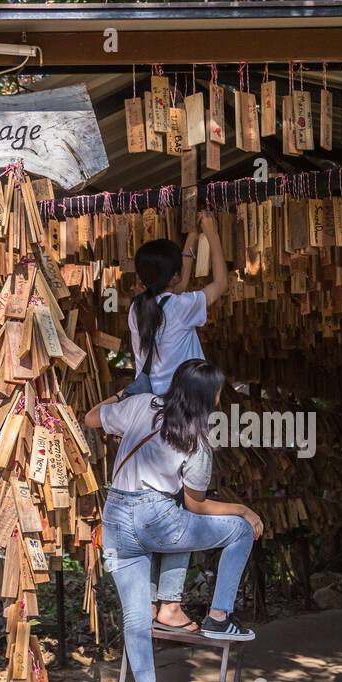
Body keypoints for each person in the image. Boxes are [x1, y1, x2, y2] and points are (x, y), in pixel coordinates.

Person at [86, 359, 264, 682]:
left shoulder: (142, 404)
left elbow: (90, 419)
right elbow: (197, 504)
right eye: (218, 391)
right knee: (239, 532)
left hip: (116, 517)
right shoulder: (197, 443)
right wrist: (242, 509)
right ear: (209, 397)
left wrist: (126, 391)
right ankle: (219, 617)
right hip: (158, 521)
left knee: (136, 619)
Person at [120, 210, 228, 635]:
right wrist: (213, 236)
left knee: (156, 502)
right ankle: (170, 605)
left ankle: (148, 605)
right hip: (182, 413)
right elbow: (220, 284)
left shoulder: (139, 310)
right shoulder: (182, 307)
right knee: (183, 506)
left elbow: (175, 282)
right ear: (174, 276)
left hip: (150, 413)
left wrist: (187, 240)